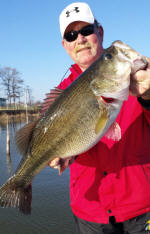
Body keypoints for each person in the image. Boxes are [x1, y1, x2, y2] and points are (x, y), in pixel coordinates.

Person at [42, 2, 150, 234]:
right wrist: (59, 155)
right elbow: (66, 141)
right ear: (65, 45)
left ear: (99, 31)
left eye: (86, 30)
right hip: (91, 210)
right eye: (71, 35)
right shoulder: (61, 94)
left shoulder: (137, 77)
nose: (80, 39)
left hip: (142, 207)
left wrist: (149, 96)